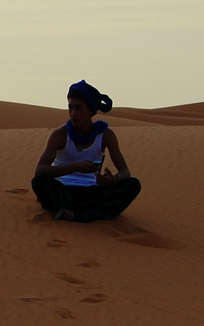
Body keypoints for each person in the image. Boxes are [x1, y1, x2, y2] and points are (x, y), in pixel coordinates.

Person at [31, 80, 141, 222]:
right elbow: (40, 170)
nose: (73, 113)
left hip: (92, 191)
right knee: (39, 182)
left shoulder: (106, 135)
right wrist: (75, 167)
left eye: (78, 108)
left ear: (90, 110)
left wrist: (112, 180)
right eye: (70, 107)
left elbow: (125, 171)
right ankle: (92, 213)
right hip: (64, 189)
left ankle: (73, 212)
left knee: (133, 185)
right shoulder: (59, 135)